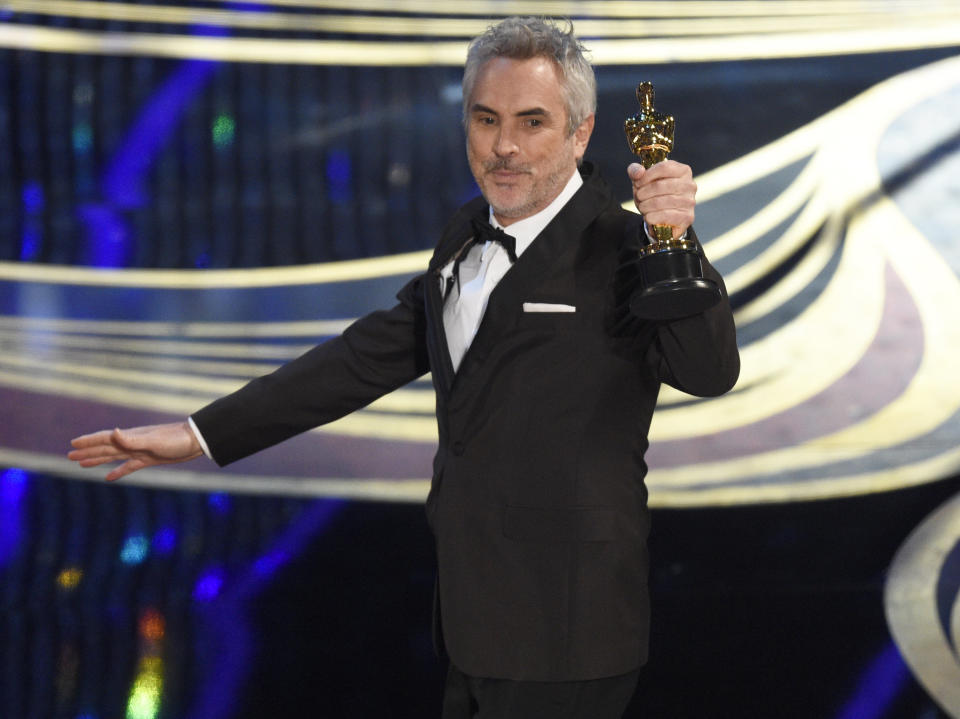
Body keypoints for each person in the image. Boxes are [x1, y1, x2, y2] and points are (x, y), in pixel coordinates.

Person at [69, 17, 739, 718]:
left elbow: (708, 369)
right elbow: (361, 358)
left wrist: (677, 243)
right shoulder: (461, 237)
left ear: (580, 132)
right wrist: (200, 433)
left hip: (569, 631)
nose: (503, 146)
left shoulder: (627, 247)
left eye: (531, 122)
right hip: (468, 622)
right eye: (486, 119)